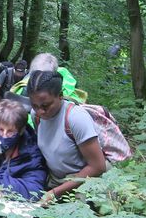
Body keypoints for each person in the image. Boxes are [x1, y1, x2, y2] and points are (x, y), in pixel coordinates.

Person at [27, 70, 107, 202]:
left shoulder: (76, 118)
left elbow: (98, 166)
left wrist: (55, 192)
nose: (40, 111)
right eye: (34, 105)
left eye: (45, 105)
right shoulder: (36, 116)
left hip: (84, 179)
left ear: (60, 96)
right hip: (55, 178)